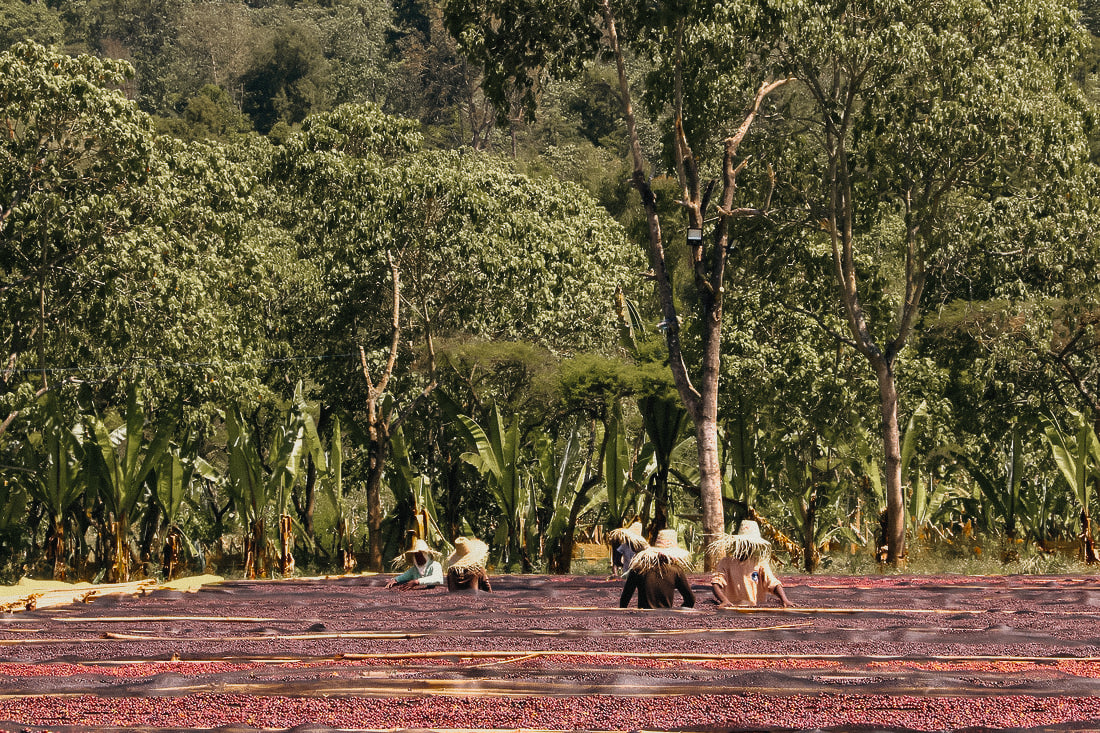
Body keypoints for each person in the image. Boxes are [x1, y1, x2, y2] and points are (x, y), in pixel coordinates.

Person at [708, 520, 792, 608]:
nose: (747, 548)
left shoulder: (760, 563)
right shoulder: (726, 562)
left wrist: (784, 600)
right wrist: (725, 601)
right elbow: (716, 583)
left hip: (754, 608)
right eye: (744, 544)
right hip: (732, 608)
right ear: (738, 544)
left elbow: (773, 583)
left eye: (750, 544)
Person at [619, 528, 696, 609]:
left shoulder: (638, 568)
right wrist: (675, 612)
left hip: (642, 618)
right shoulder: (676, 570)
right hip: (666, 619)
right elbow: (690, 600)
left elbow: (624, 599)